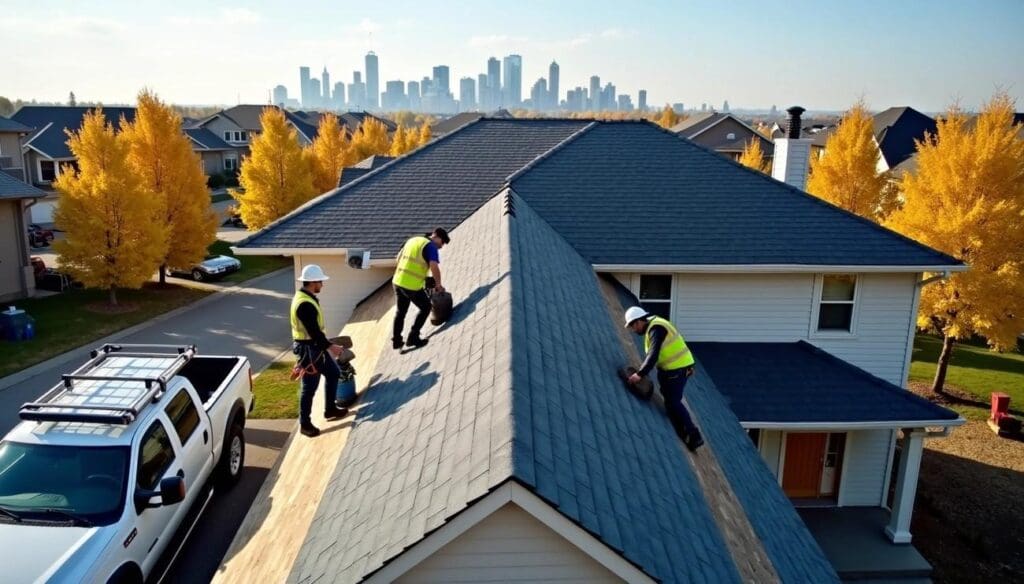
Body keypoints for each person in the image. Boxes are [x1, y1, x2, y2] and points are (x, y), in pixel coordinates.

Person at [624, 307, 704, 452]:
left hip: (678, 369)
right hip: (675, 368)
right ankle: (682, 428)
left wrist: (640, 374)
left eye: (633, 326)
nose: (634, 330)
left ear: (639, 321)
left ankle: (694, 436)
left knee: (673, 401)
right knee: (670, 398)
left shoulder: (656, 329)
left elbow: (653, 355)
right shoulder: (654, 325)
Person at [292, 264, 348, 437]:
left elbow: (316, 332)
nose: (322, 285)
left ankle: (330, 409)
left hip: (315, 348)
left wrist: (326, 345)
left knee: (333, 374)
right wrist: (332, 347)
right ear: (313, 282)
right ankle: (305, 424)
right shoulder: (304, 304)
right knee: (309, 389)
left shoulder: (307, 297)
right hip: (309, 351)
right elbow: (314, 332)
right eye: (321, 282)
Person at [391, 228, 450, 349]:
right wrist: (438, 284)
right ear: (436, 237)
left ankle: (397, 341)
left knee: (400, 312)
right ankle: (413, 337)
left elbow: (398, 258)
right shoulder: (430, 246)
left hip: (397, 281)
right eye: (442, 242)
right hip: (411, 286)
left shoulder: (413, 240)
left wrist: (424, 277)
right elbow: (434, 266)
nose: (441, 246)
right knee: (426, 307)